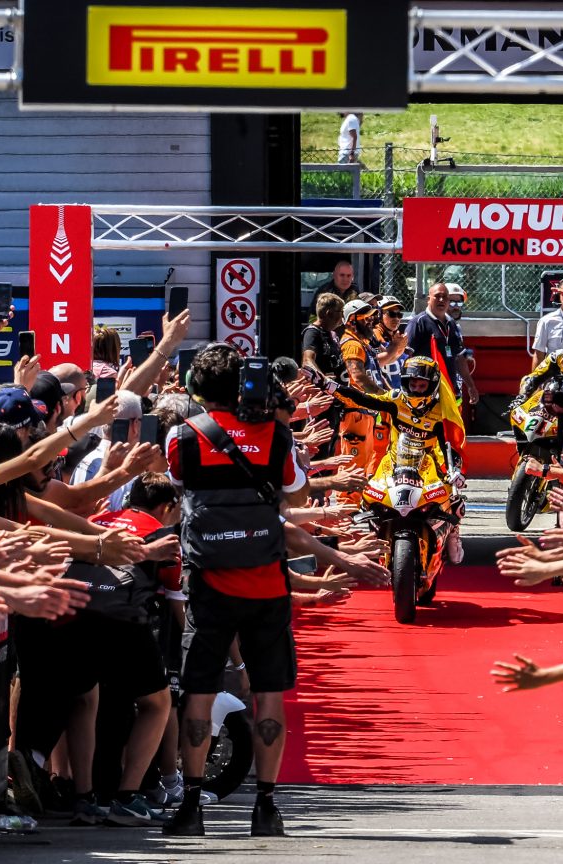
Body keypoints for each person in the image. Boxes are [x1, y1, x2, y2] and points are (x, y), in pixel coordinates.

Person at [163, 345, 308, 838]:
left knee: (199, 693)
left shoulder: (182, 436)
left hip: (207, 585)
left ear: (197, 388)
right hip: (267, 584)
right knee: (270, 695)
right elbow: (296, 490)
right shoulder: (278, 436)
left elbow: (177, 482)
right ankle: (266, 806)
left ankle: (191, 806)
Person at [330, 356, 466, 563]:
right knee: (369, 496)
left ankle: (454, 533)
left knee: (454, 496)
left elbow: (449, 444)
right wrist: (329, 386)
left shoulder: (441, 411)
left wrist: (454, 469)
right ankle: (377, 532)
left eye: (422, 386)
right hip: (394, 459)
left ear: (432, 385)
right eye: (413, 384)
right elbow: (364, 399)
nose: (416, 390)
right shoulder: (396, 399)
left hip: (427, 462)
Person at [405, 281, 478, 407]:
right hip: (425, 395)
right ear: (429, 299)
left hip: (450, 392)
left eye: (445, 297)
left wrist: (471, 386)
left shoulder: (452, 325)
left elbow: (459, 357)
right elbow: (406, 356)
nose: (441, 300)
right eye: (437, 296)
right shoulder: (418, 323)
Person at [301, 292, 345, 378]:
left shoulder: (332, 333)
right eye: (341, 312)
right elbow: (307, 360)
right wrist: (323, 379)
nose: (343, 317)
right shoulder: (312, 333)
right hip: (324, 386)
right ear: (329, 313)